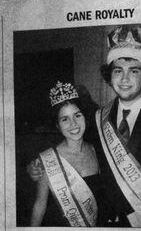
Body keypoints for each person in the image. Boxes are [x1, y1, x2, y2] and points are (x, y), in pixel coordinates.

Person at [28, 26, 141, 228]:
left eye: (134, 71)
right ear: (109, 75)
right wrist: (36, 166)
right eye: (118, 70)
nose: (124, 79)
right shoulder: (99, 118)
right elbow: (72, 142)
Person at [29, 81, 103, 227]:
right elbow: (39, 205)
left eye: (77, 115)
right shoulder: (48, 160)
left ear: (85, 117)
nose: (73, 124)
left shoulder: (97, 151)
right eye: (64, 119)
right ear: (57, 125)